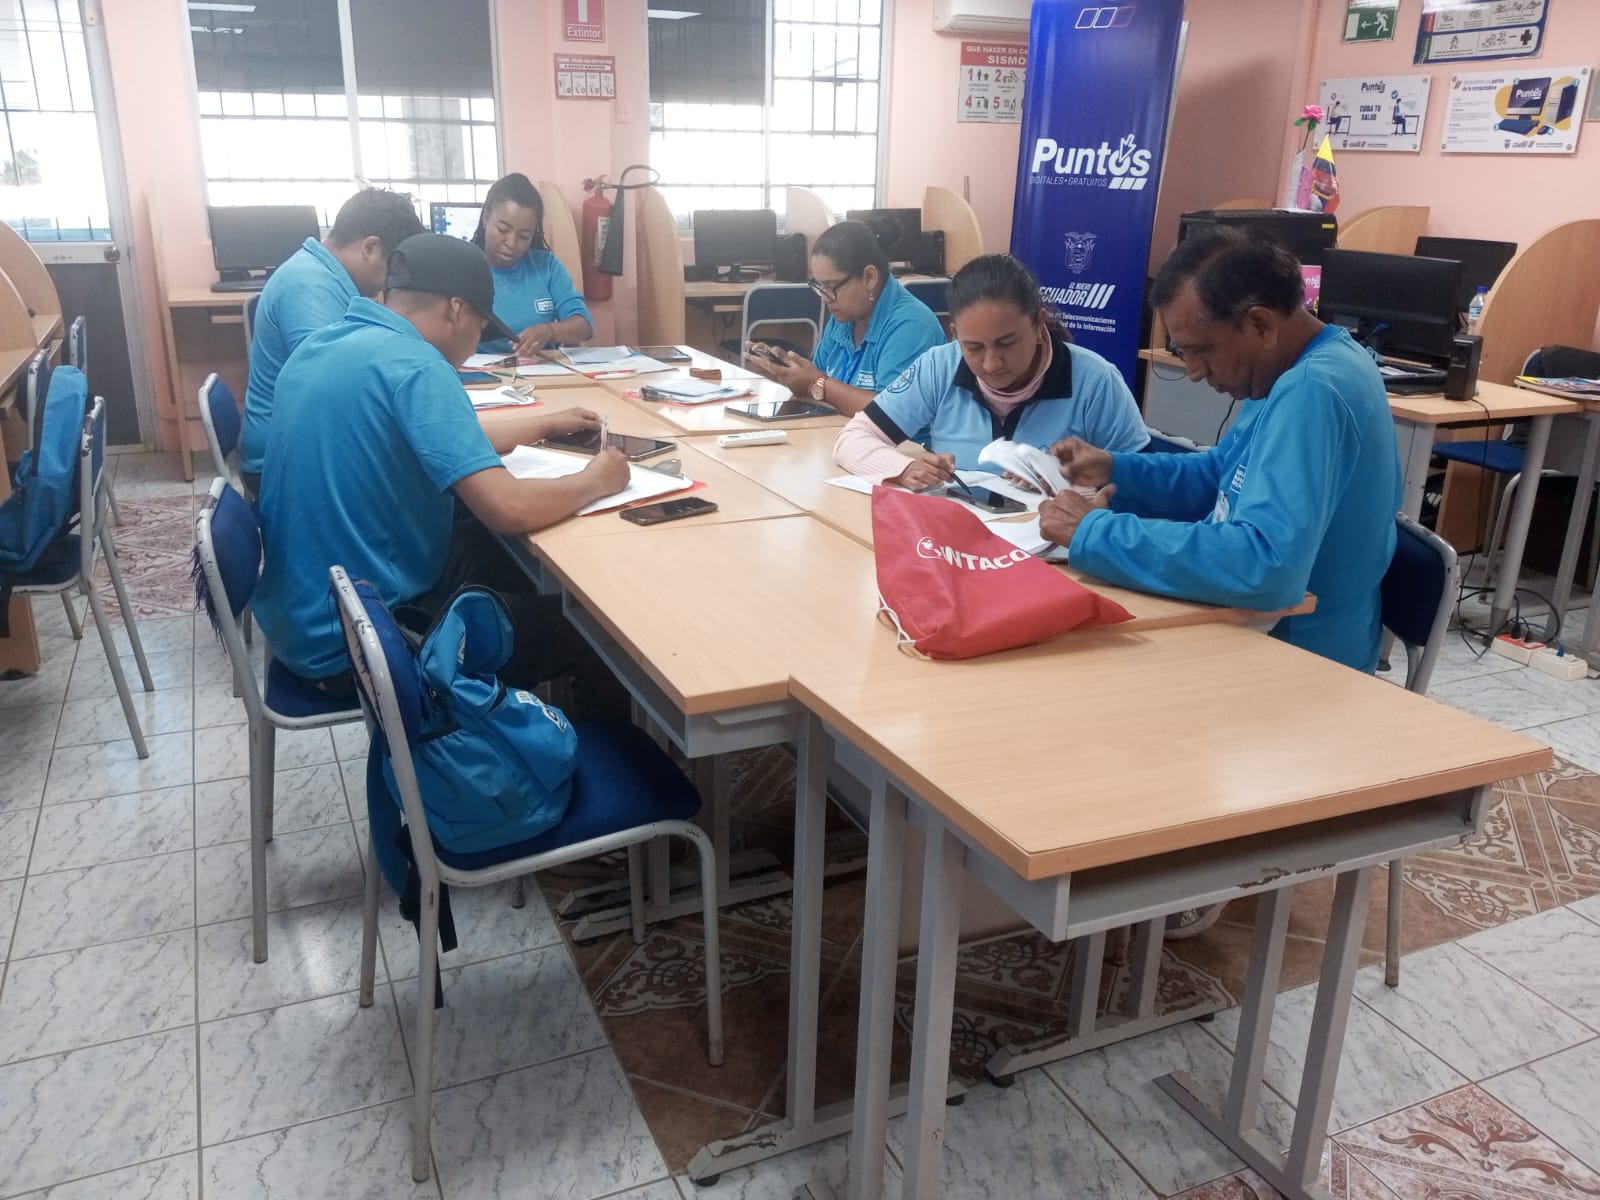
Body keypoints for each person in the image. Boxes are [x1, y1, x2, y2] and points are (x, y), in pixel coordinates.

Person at [253, 233, 630, 711]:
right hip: (363, 647)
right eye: (480, 327)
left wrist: (542, 424)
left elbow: (437, 437)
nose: (476, 344)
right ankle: (578, 753)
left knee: (508, 559)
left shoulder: (329, 343)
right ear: (456, 309)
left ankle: (508, 709)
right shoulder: (418, 367)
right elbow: (510, 508)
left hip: (305, 616)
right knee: (594, 633)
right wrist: (599, 479)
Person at [1038, 227, 1402, 673]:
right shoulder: (1292, 367)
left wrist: (1095, 533)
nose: (1193, 371)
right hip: (1256, 630)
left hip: (1297, 661)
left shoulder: (1313, 389)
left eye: (1202, 350)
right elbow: (1223, 474)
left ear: (1260, 324)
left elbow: (1267, 565)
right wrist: (1115, 468)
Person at [832, 253, 1148, 489]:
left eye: (1007, 343)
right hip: (957, 539)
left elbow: (1144, 484)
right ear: (955, 334)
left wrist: (1068, 483)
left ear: (1038, 324)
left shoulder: (1096, 382)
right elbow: (853, 439)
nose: (991, 364)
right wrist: (904, 468)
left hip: (1054, 546)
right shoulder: (939, 366)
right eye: (974, 347)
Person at [239, 187, 424, 496]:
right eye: (392, 268)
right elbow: (335, 392)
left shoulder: (327, 274)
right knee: (434, 480)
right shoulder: (309, 284)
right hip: (283, 466)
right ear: (370, 248)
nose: (389, 282)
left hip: (307, 446)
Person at [745, 220, 945, 416]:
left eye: (831, 287)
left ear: (869, 277)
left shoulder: (911, 326)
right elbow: (818, 381)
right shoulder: (844, 317)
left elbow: (890, 413)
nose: (824, 297)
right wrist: (789, 374)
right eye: (820, 286)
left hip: (893, 438)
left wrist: (815, 383)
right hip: (841, 431)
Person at [473, 173, 593, 356]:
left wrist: (550, 330)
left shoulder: (546, 266)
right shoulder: (464, 266)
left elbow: (584, 325)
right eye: (503, 230)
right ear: (485, 218)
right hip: (479, 370)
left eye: (524, 236)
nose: (511, 242)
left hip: (539, 368)